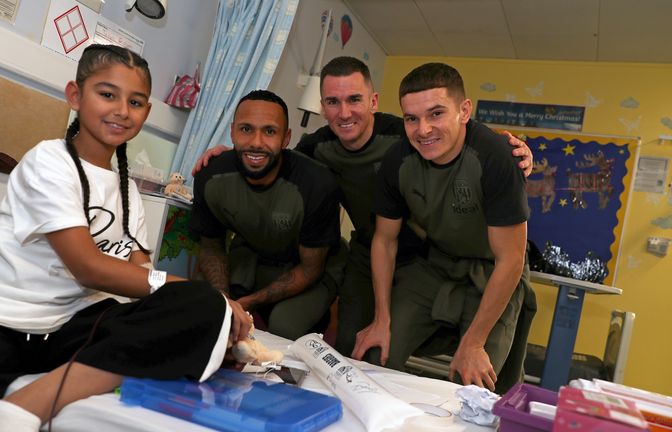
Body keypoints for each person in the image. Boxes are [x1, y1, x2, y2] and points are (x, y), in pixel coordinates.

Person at [0, 44, 249, 432]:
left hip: (70, 322)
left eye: (135, 102)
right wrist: (179, 289)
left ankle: (25, 407)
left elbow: (142, 274)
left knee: (202, 304)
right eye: (107, 94)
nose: (121, 110)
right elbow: (86, 266)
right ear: (75, 95)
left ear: (146, 112)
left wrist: (216, 319)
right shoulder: (48, 161)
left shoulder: (128, 193)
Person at [193, 57, 533, 357]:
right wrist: (228, 152)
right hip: (371, 245)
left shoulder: (405, 136)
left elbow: (451, 133)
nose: (344, 112)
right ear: (322, 107)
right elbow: (274, 155)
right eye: (333, 102)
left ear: (373, 101)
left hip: (423, 254)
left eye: (354, 99)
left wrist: (507, 147)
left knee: (444, 344)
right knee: (353, 346)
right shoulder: (317, 147)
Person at [352, 62, 532, 393]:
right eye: (412, 118)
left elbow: (511, 261)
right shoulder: (398, 161)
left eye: (436, 114)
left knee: (475, 385)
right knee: (374, 354)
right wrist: (381, 319)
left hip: (494, 271)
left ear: (464, 111)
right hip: (435, 266)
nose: (423, 129)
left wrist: (474, 343)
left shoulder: (496, 158)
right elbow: (384, 241)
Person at [190, 89, 343, 341]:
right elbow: (211, 247)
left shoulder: (317, 184)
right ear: (232, 132)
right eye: (246, 129)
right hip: (252, 256)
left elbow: (309, 269)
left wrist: (251, 302)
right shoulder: (211, 175)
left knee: (284, 327)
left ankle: (323, 314)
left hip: (311, 268)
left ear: (286, 138)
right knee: (203, 308)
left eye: (269, 131)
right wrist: (225, 300)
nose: (256, 142)